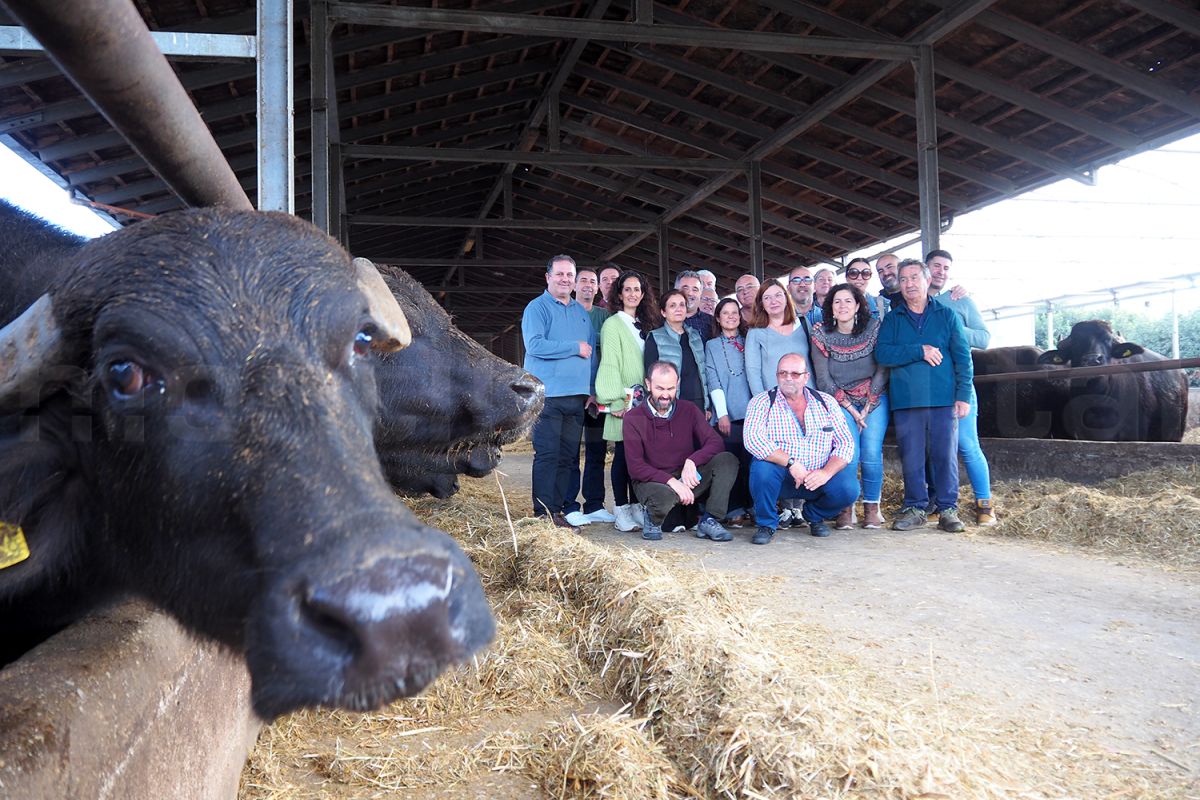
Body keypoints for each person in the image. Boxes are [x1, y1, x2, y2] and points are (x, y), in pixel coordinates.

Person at [875, 259, 973, 533]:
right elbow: (882, 353)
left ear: (927, 280)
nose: (909, 284)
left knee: (945, 455)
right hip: (907, 400)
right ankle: (916, 507)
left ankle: (947, 509)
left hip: (943, 398)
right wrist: (920, 350)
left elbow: (963, 358)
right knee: (912, 456)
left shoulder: (946, 315)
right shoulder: (893, 319)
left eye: (914, 277)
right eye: (903, 279)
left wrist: (963, 395)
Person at [743, 353, 858, 544]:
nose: (788, 378)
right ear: (777, 375)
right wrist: (791, 463)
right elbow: (753, 440)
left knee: (849, 489)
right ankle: (767, 524)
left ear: (806, 377)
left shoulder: (826, 402)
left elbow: (845, 443)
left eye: (795, 374)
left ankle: (814, 516)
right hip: (782, 476)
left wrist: (826, 473)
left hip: (817, 476)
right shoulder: (762, 402)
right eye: (783, 373)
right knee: (761, 470)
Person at [521, 254, 596, 533]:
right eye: (560, 274)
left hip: (576, 397)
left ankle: (555, 511)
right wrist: (574, 347)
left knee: (567, 457)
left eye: (569, 275)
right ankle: (542, 512)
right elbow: (534, 345)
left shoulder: (580, 313)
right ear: (548, 277)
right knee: (548, 454)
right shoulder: (537, 308)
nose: (565, 279)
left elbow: (591, 352)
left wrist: (591, 389)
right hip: (548, 396)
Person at [623, 361, 737, 542]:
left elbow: (715, 442)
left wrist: (691, 461)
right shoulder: (633, 418)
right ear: (648, 384)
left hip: (686, 477)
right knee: (664, 496)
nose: (665, 395)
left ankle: (710, 519)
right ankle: (653, 518)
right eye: (660, 388)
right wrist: (672, 482)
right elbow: (636, 467)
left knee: (727, 460)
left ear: (677, 384)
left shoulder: (688, 409)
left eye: (671, 388)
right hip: (653, 481)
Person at [926, 249, 996, 526]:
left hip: (959, 385)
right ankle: (943, 505)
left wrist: (953, 327)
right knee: (938, 448)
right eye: (936, 266)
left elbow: (983, 338)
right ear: (926, 268)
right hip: (929, 388)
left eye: (946, 267)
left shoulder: (960, 300)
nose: (941, 272)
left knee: (967, 445)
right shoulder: (915, 303)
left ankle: (985, 504)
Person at [810, 284, 889, 529]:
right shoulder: (821, 333)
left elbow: (883, 367)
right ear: (830, 308)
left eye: (848, 301)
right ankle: (846, 506)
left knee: (871, 452)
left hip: (874, 397)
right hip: (839, 400)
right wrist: (851, 409)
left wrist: (868, 404)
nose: (842, 306)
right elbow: (823, 379)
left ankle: (872, 506)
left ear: (857, 306)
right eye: (837, 302)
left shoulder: (874, 328)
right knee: (848, 452)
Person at [595, 271, 660, 533]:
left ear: (643, 294)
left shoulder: (645, 325)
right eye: (627, 289)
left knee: (640, 457)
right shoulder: (612, 324)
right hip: (624, 401)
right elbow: (610, 362)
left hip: (645, 402)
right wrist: (614, 399)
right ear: (619, 294)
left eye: (637, 289)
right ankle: (621, 509)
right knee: (623, 456)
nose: (632, 294)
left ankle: (636, 507)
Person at [566, 268, 614, 526]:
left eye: (592, 282)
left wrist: (597, 390)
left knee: (597, 450)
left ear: (597, 289)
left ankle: (594, 504)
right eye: (582, 280)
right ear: (574, 285)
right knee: (571, 451)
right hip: (573, 393)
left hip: (598, 394)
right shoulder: (567, 312)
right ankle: (570, 505)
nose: (588, 285)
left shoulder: (604, 316)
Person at [704, 298, 754, 526]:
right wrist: (722, 413)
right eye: (725, 313)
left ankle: (752, 506)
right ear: (718, 318)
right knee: (731, 462)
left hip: (752, 412)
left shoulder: (750, 340)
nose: (731, 316)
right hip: (727, 414)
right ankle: (734, 509)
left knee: (750, 463)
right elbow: (713, 378)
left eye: (735, 312)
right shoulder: (712, 345)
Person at [645, 289, 709, 416]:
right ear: (663, 312)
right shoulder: (655, 337)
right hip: (671, 403)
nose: (678, 309)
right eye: (672, 306)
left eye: (682, 305)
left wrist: (707, 405)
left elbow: (703, 371)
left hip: (698, 402)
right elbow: (650, 374)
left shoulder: (695, 336)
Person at [744, 280, 813, 396]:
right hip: (776, 400)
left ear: (786, 298)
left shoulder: (803, 323)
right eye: (767, 298)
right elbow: (753, 372)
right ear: (761, 304)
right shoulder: (755, 332)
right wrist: (762, 401)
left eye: (778, 295)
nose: (773, 301)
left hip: (808, 397)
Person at [675, 270, 714, 343]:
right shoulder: (663, 320)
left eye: (695, 289)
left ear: (700, 293)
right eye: (685, 288)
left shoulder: (712, 322)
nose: (690, 293)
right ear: (675, 291)